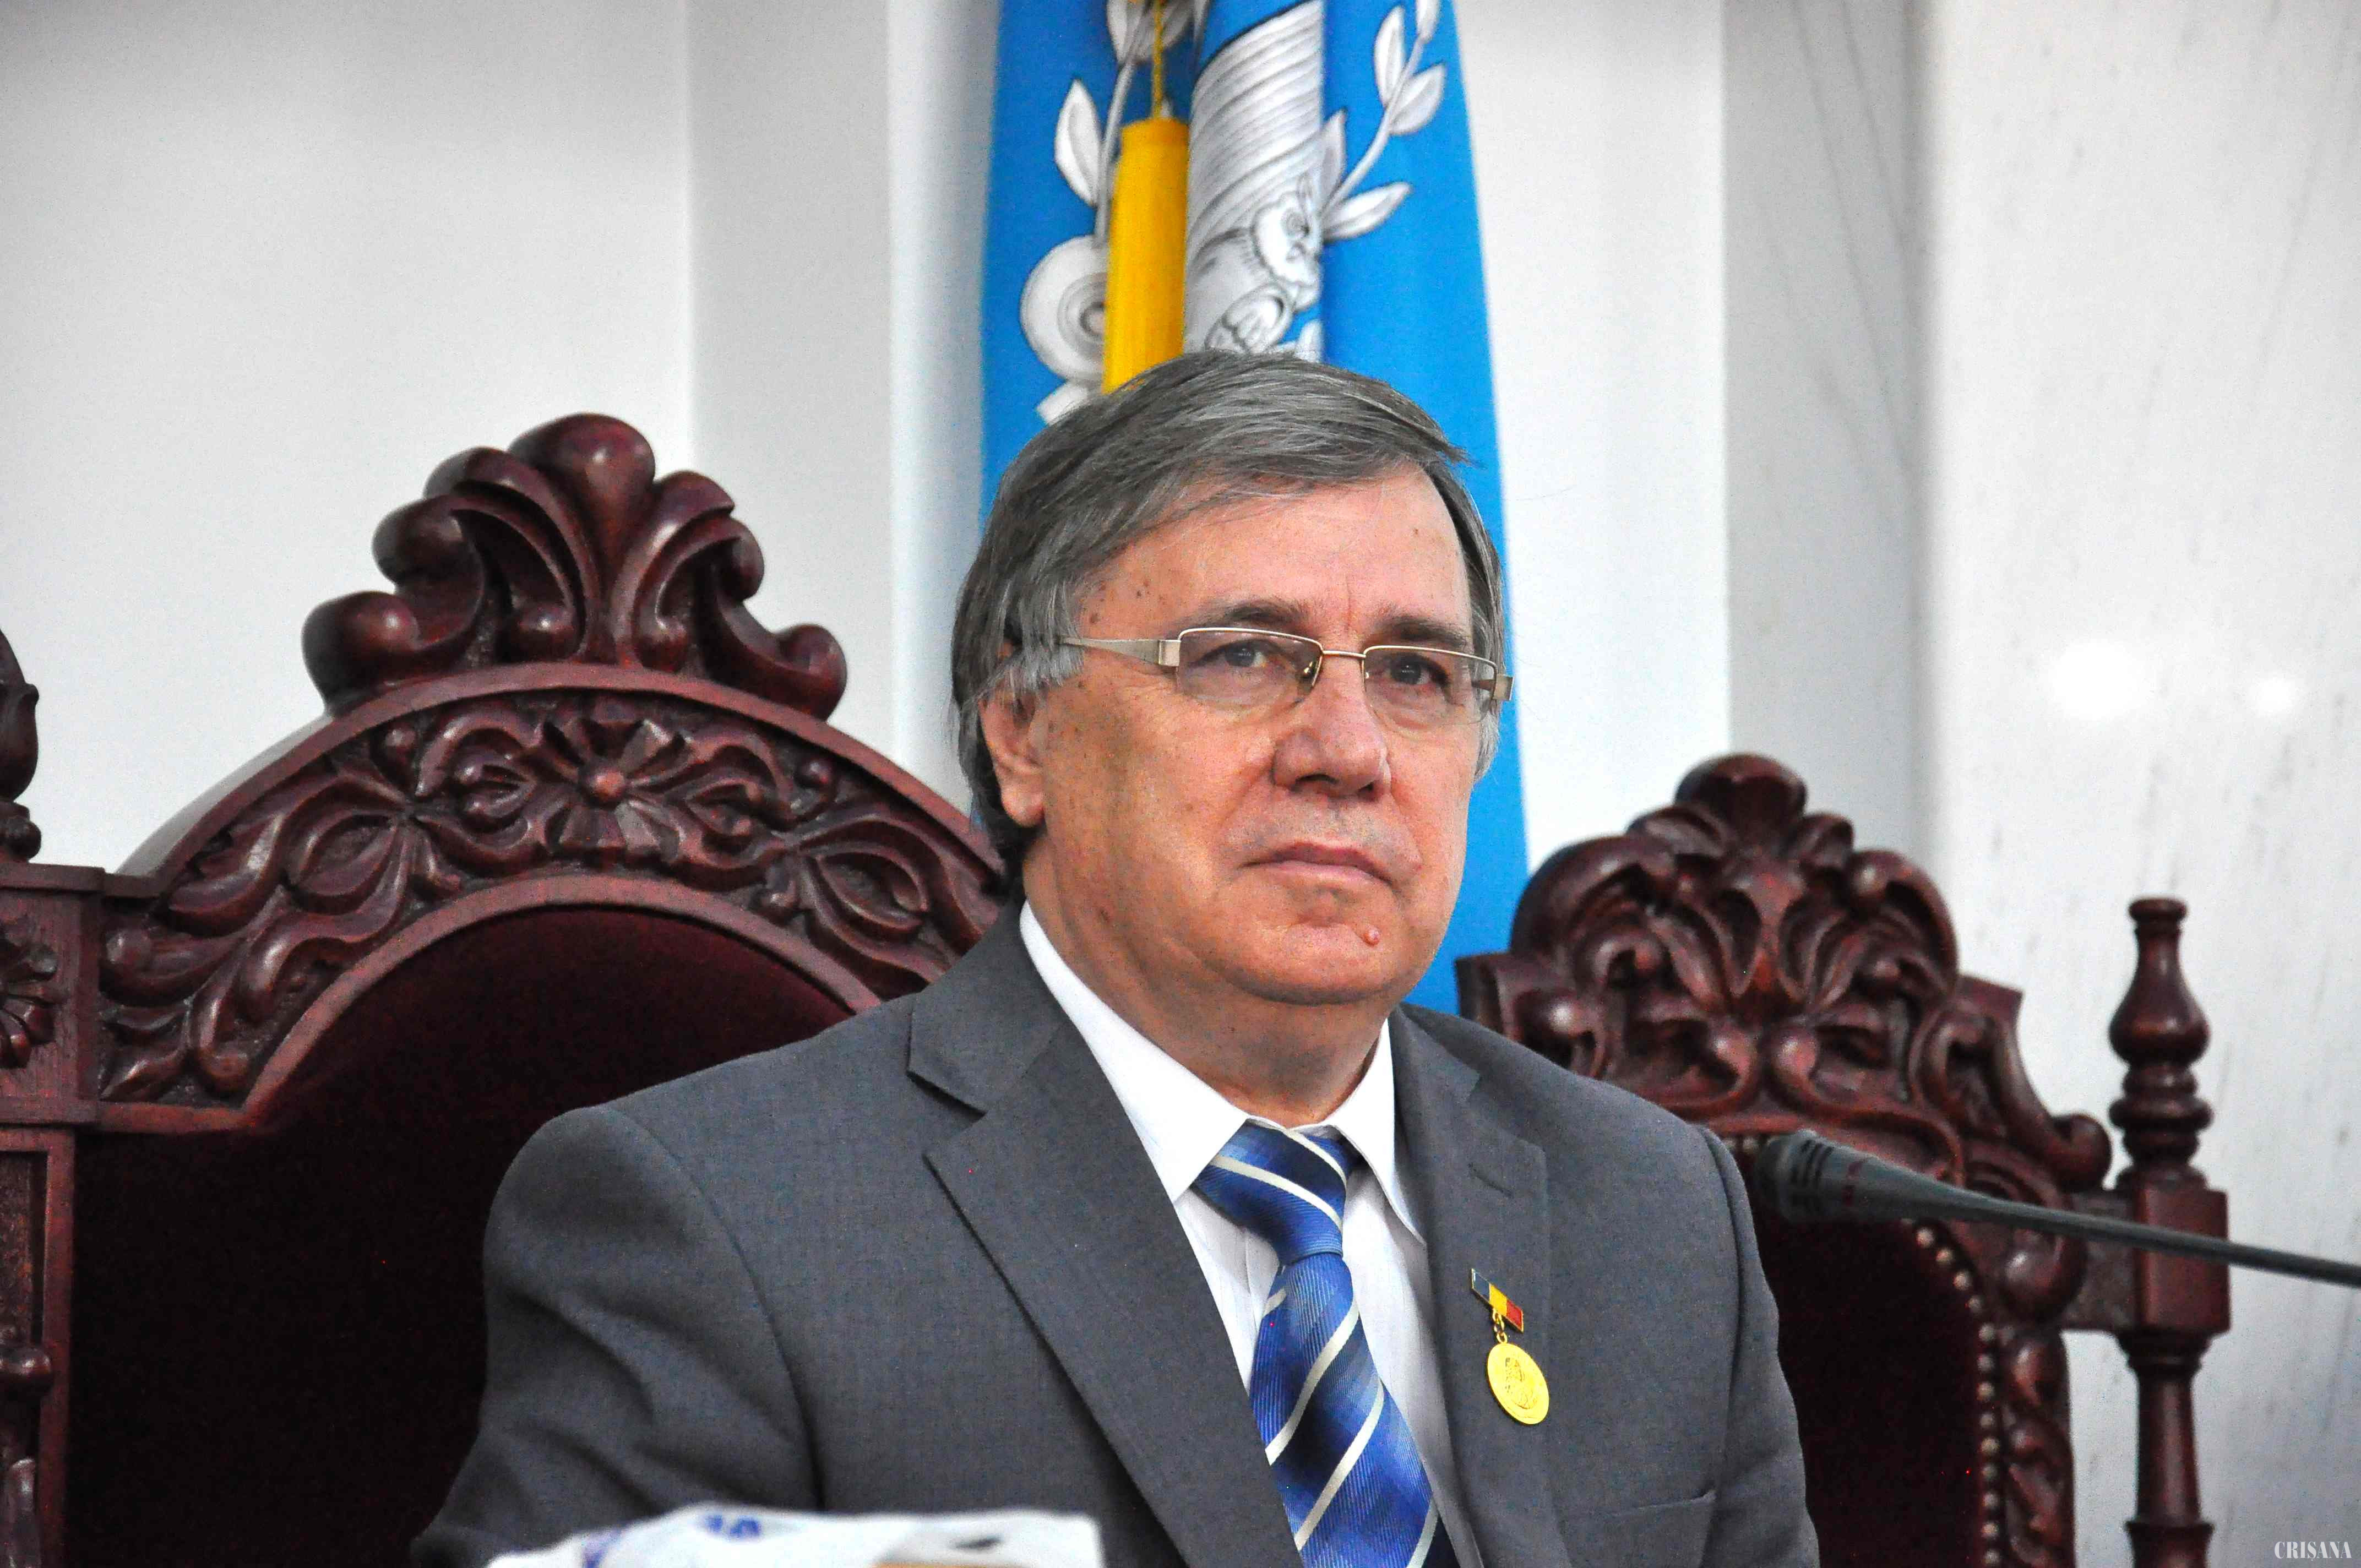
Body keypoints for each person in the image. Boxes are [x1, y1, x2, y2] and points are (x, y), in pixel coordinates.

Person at [416, 352, 1816, 1568]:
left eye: (1413, 673)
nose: (1347, 750)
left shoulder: (1651, 1211)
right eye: (1240, 656)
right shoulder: (725, 1224)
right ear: (1023, 731)